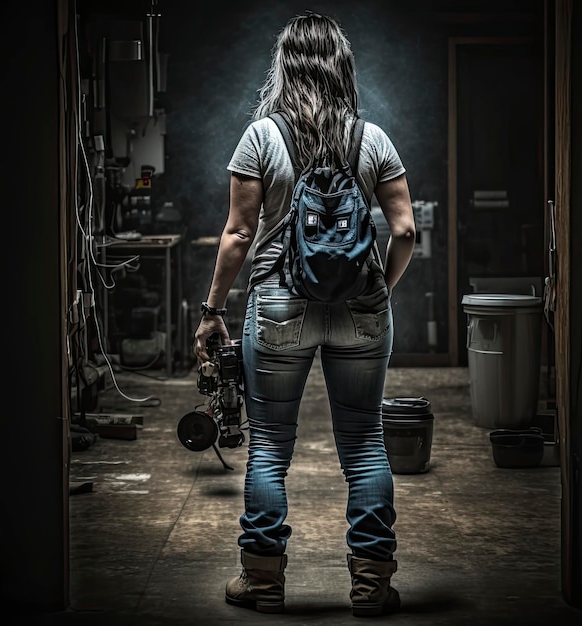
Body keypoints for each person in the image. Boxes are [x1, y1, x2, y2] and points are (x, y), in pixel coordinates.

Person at [193, 12, 416, 618]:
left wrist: (213, 310)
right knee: (365, 441)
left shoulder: (261, 137)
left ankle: (263, 581)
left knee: (269, 446)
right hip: (361, 304)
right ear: (342, 66)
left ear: (285, 66)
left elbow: (238, 234)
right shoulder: (374, 139)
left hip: (278, 304)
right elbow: (404, 230)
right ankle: (371, 585)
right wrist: (380, 290)